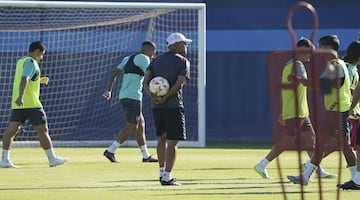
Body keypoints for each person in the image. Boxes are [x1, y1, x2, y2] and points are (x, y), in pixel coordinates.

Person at [254, 38, 334, 179]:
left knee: (311, 139)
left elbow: (285, 90)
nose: (311, 55)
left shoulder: (288, 65)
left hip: (300, 111)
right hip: (297, 111)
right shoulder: (298, 66)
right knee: (287, 141)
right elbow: (304, 82)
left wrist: (283, 110)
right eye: (308, 52)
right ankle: (262, 164)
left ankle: (317, 169)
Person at [287, 35, 357, 185]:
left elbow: (321, 85)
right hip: (332, 112)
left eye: (320, 46)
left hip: (339, 112)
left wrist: (299, 80)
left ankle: (357, 179)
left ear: (327, 47)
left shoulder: (336, 65)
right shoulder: (335, 64)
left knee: (345, 146)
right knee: (320, 145)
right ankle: (305, 177)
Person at [0, 41, 68, 168]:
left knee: (11, 131)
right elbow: (24, 79)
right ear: (36, 51)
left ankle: (4, 159)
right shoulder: (31, 62)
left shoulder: (21, 61)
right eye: (41, 54)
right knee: (43, 130)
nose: (41, 58)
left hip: (18, 105)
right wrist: (21, 96)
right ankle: (52, 159)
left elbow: (28, 79)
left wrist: (39, 80)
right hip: (31, 104)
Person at [143, 32, 191, 186]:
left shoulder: (155, 61)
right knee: (172, 142)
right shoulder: (183, 61)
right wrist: (165, 97)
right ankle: (167, 177)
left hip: (157, 107)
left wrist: (153, 97)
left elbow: (145, 82)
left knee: (161, 139)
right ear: (175, 45)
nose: (186, 46)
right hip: (173, 106)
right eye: (184, 43)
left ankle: (162, 173)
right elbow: (179, 84)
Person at [102, 41, 158, 163]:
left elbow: (114, 73)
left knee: (140, 125)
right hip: (134, 97)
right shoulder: (144, 59)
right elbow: (152, 77)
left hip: (123, 96)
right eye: (153, 53)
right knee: (132, 126)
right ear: (148, 51)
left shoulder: (128, 58)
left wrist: (108, 90)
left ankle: (146, 156)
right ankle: (111, 150)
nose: (153, 56)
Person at [337, 40, 360, 190]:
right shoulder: (349, 69)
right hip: (351, 112)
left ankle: (310, 166)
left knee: (345, 144)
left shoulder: (347, 68)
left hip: (349, 111)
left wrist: (352, 106)